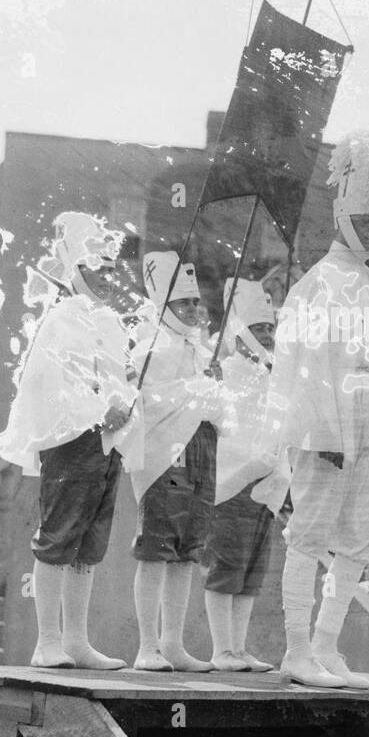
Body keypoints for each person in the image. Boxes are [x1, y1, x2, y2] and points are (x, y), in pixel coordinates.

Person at [268, 126, 369, 689]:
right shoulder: (318, 283)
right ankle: (296, 648)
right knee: (310, 535)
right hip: (326, 430)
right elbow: (301, 361)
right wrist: (322, 432)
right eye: (364, 221)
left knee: (358, 542)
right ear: (343, 218)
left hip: (368, 428)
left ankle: (326, 644)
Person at [0, 211, 139, 670]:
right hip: (72, 440)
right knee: (58, 538)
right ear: (76, 271)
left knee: (88, 544)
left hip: (107, 445)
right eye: (96, 270)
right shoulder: (60, 320)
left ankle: (77, 641)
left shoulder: (112, 324)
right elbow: (49, 386)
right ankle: (48, 641)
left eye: (111, 271)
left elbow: (117, 380)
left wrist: (125, 398)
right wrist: (99, 412)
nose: (106, 279)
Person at [127, 249, 231, 673]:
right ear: (163, 306)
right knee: (157, 548)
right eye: (182, 302)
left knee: (189, 549)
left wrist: (216, 388)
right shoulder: (149, 346)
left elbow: (220, 411)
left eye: (195, 301)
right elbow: (146, 401)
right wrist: (198, 391)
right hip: (166, 454)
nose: (192, 309)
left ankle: (173, 643)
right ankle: (147, 645)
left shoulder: (202, 350)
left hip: (202, 448)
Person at [200, 278, 282, 673]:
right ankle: (222, 649)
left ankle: (239, 646)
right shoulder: (225, 371)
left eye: (269, 328)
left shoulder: (272, 373)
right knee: (227, 566)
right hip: (233, 483)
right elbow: (223, 427)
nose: (266, 335)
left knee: (252, 572)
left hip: (267, 487)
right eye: (258, 328)